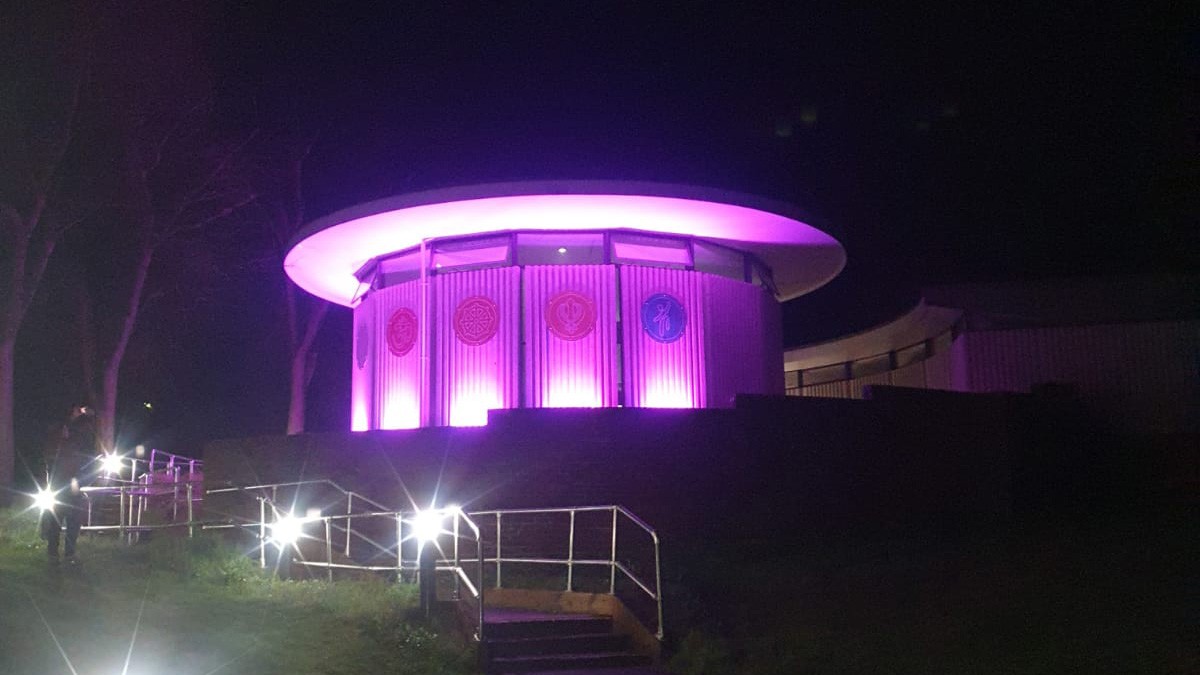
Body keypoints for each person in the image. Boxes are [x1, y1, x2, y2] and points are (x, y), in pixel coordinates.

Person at [41, 405, 96, 563]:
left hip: (72, 485)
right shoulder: (57, 441)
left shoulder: (76, 440)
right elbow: (49, 460)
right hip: (60, 486)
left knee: (72, 522)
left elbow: (84, 457)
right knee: (56, 522)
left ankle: (68, 553)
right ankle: (54, 552)